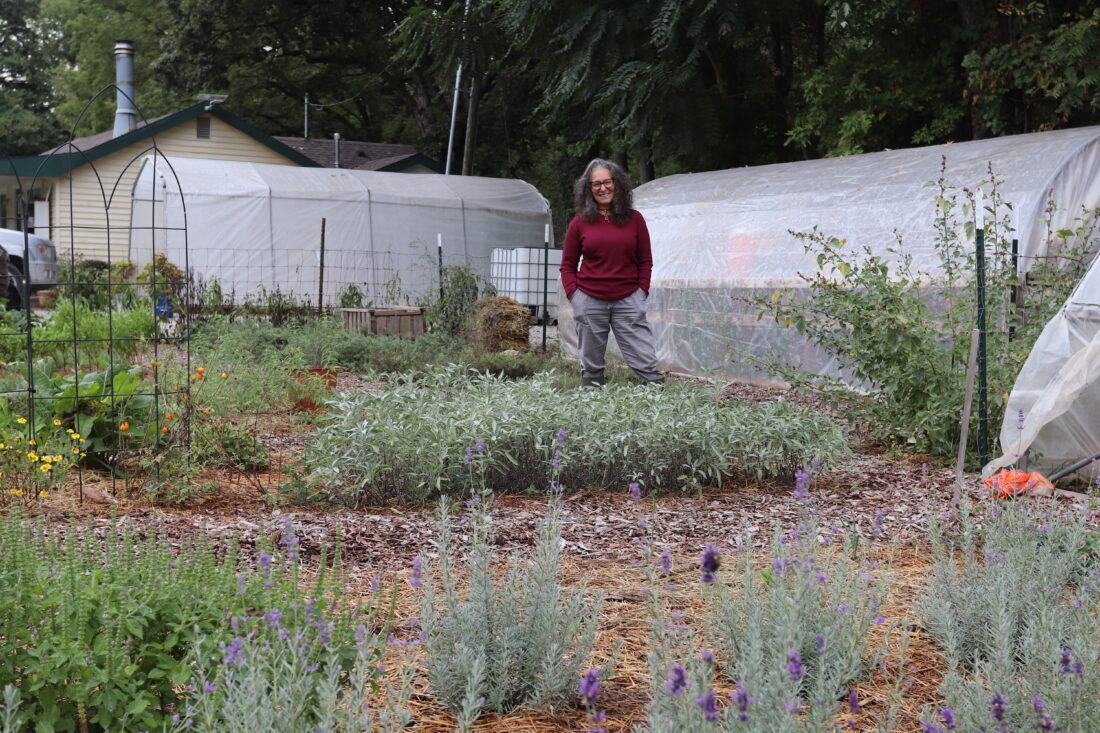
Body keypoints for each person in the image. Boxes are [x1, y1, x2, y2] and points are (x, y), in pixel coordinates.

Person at [560, 158, 664, 387]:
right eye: (596, 184)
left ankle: (658, 403)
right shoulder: (579, 223)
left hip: (628, 299)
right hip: (589, 300)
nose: (602, 188)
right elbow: (567, 265)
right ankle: (592, 408)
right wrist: (575, 297)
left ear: (617, 184)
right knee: (591, 366)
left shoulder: (634, 220)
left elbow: (645, 261)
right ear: (588, 189)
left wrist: (640, 293)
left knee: (645, 361)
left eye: (607, 182)